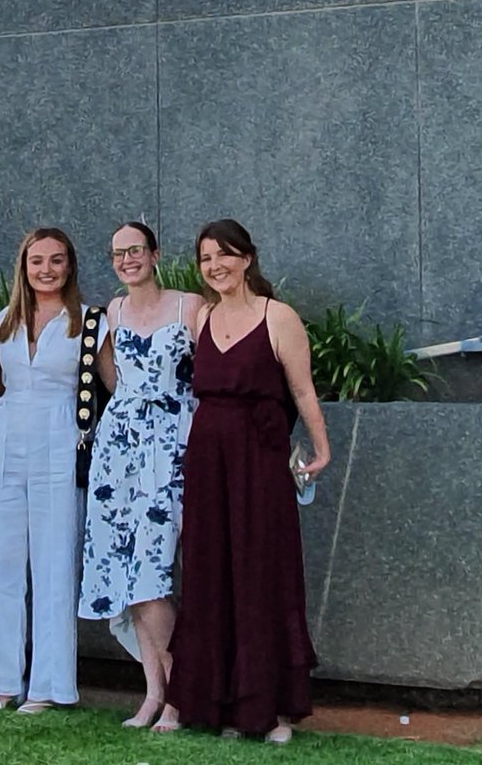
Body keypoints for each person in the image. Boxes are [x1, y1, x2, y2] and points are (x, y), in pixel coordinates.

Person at [164, 219, 330, 744]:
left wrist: (321, 447)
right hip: (207, 461)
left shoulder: (278, 316)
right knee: (210, 573)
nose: (216, 266)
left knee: (262, 573)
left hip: (259, 459)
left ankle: (272, 710)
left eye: (225, 254)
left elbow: (301, 391)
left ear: (248, 258)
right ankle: (219, 705)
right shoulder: (202, 318)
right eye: (206, 258)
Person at [0, 227, 110, 712]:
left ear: (69, 266)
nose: (46, 269)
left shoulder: (89, 323)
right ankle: (0, 681)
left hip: (59, 439)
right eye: (37, 261)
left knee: (54, 564)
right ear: (24, 267)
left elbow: (115, 386)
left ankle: (49, 686)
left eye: (56, 260)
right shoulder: (4, 322)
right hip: (7, 440)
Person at [79, 221, 203, 730]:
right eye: (117, 253)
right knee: (128, 573)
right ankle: (155, 693)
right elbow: (114, 380)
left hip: (174, 447)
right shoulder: (112, 312)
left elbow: (212, 372)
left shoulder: (189, 306)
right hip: (119, 453)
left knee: (153, 572)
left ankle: (183, 693)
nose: (126, 260)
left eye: (135, 250)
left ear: (155, 254)